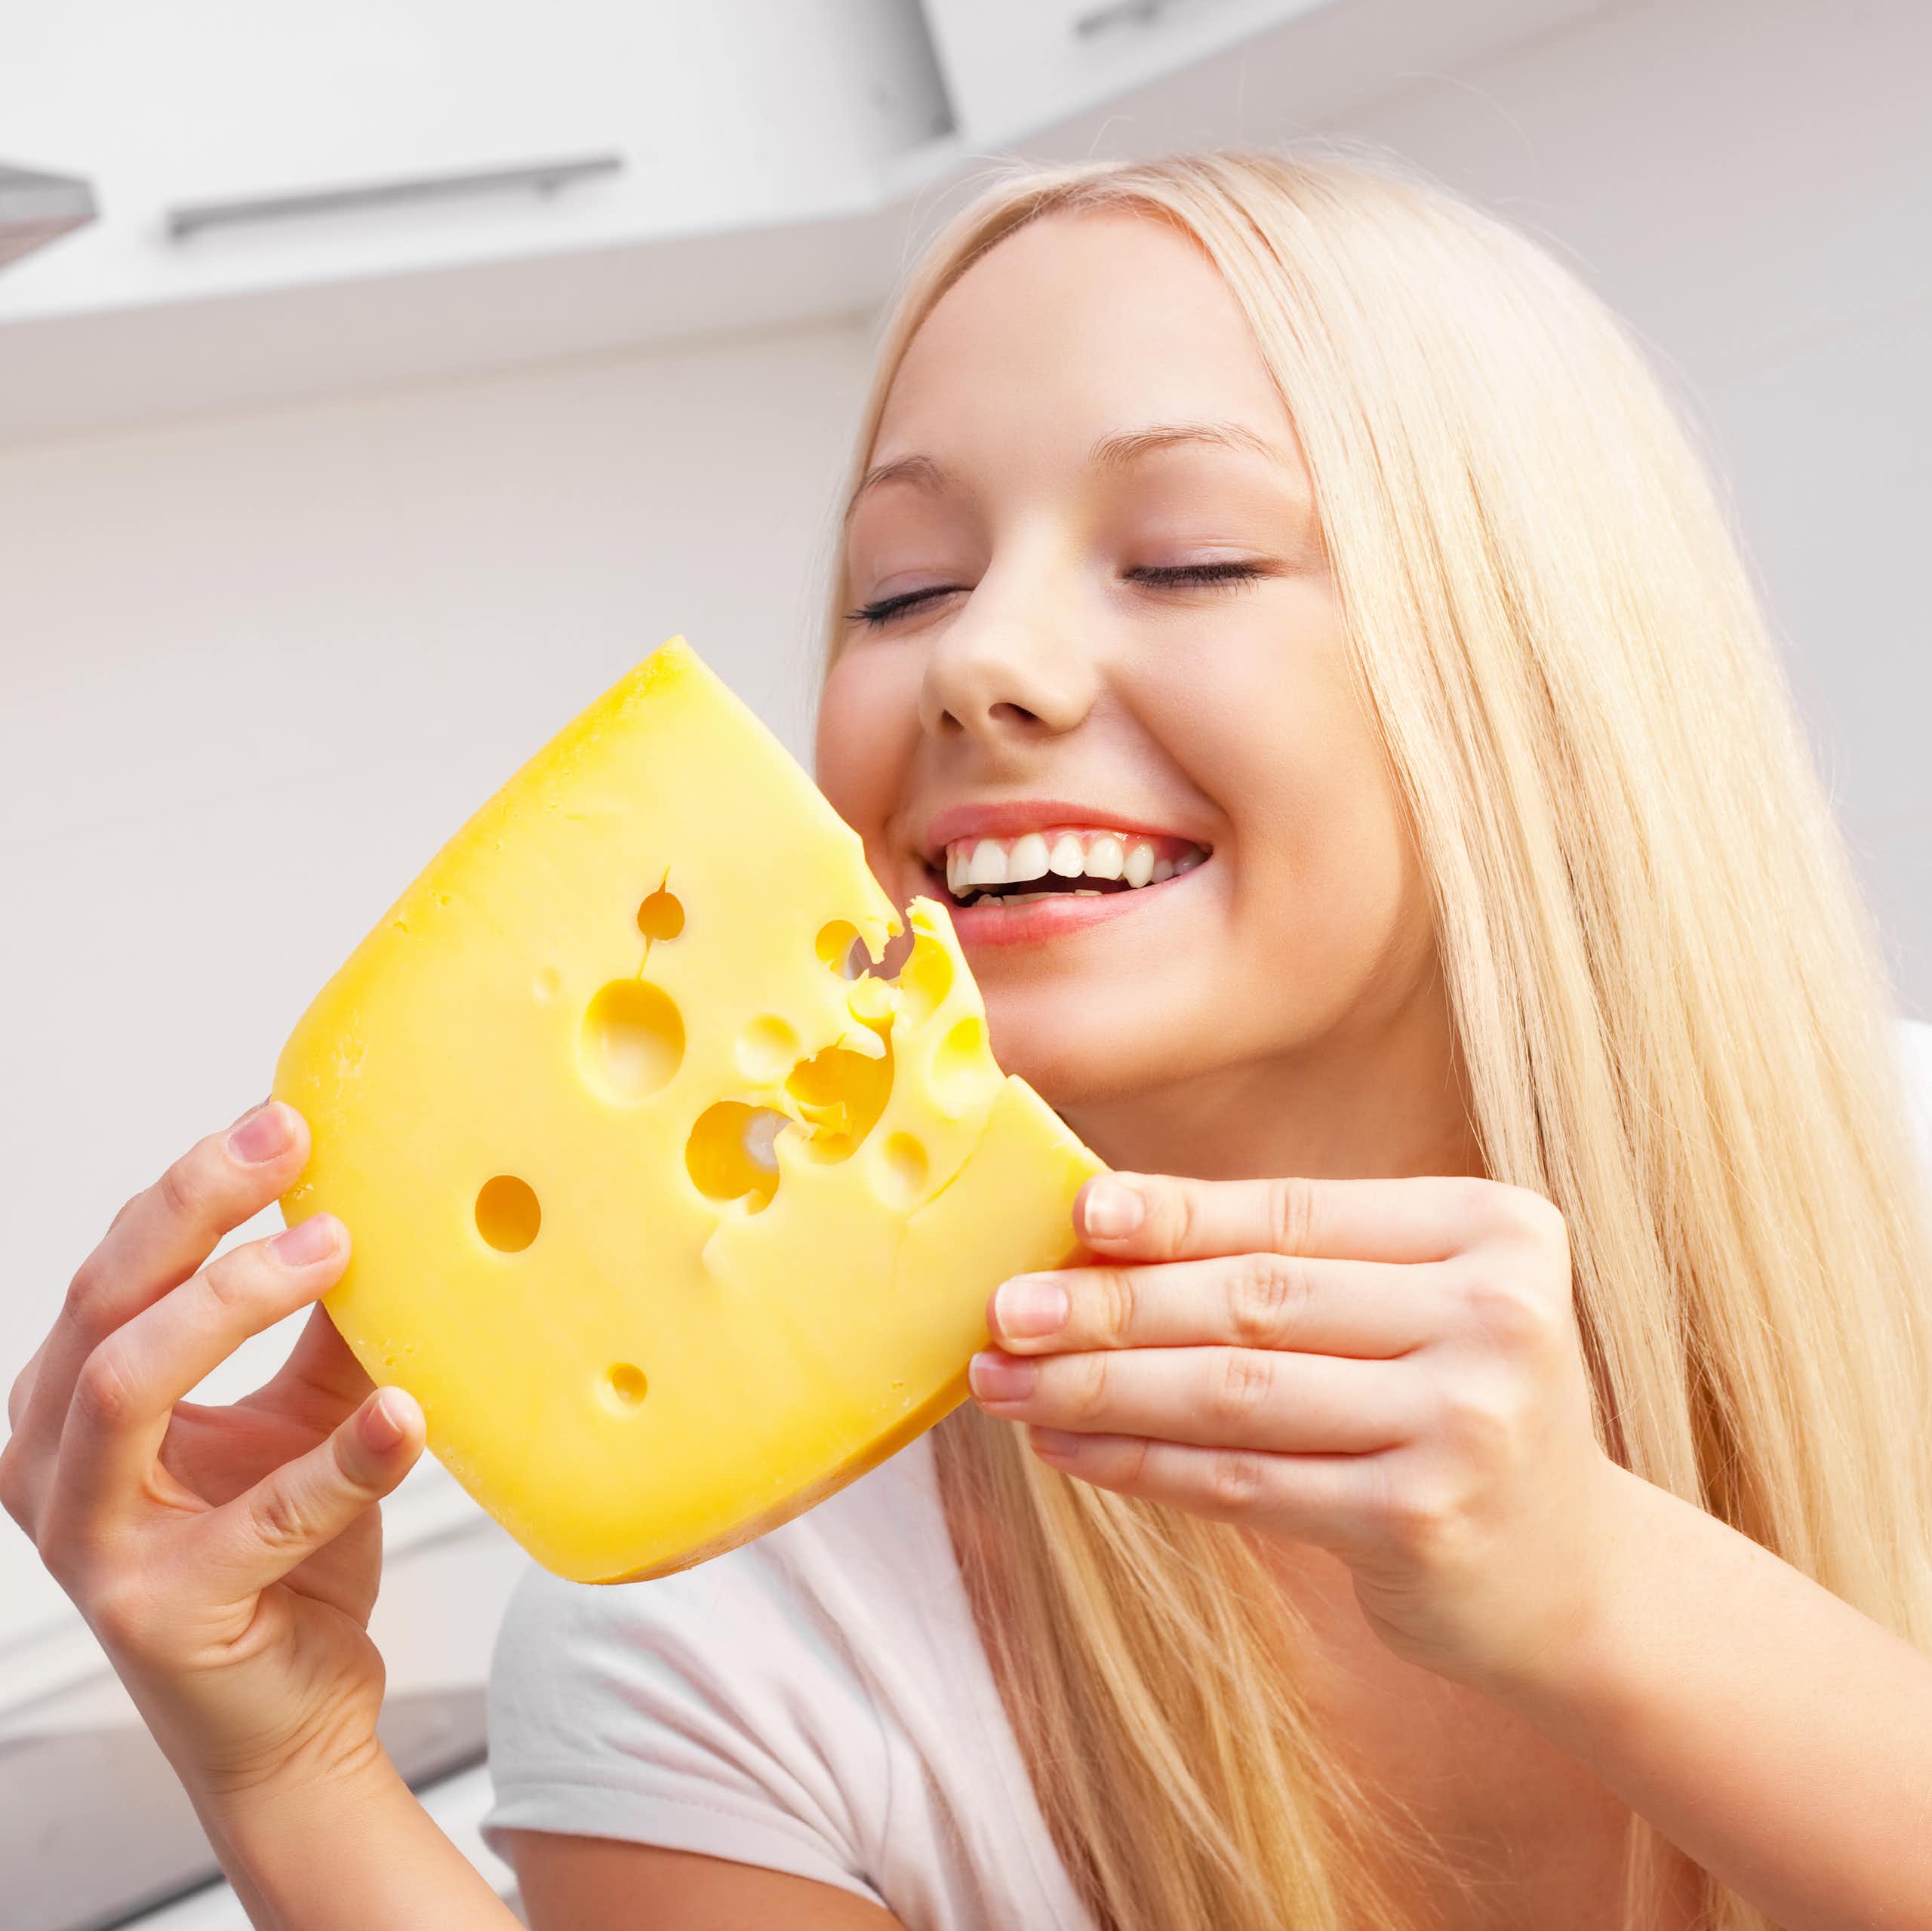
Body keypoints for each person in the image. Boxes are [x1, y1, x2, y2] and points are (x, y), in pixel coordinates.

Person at [6, 142, 1932, 1931]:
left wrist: (1597, 1586)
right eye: (902, 587)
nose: (979, 661)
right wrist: (292, 1761)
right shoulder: (724, 1637)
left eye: (1183, 556)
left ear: (1548, 678)